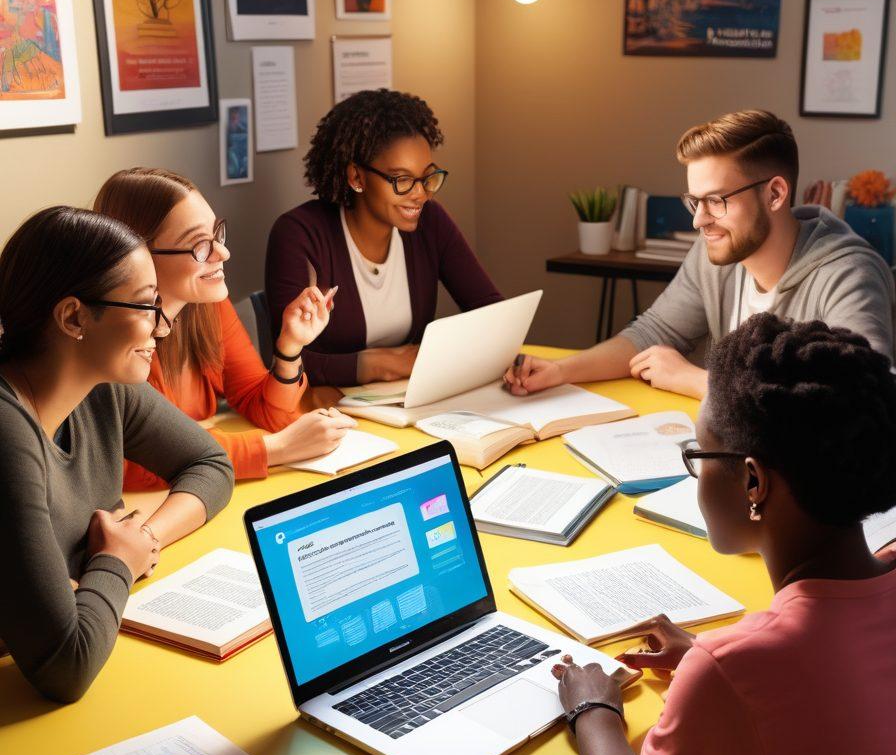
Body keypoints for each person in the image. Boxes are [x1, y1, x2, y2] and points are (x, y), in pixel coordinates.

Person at [480, 313, 896, 755]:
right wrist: (711, 662)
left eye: (698, 457)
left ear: (754, 483)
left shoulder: (741, 670)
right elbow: (819, 690)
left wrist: (594, 709)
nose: (695, 476)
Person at [0, 206, 234, 703]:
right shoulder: (5, 429)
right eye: (146, 306)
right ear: (74, 317)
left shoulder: (101, 383)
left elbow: (211, 465)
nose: (162, 326)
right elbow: (66, 668)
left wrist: (137, 541)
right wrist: (117, 564)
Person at [505, 109, 895, 400]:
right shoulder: (718, 251)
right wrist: (561, 371)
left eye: (716, 200)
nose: (699, 221)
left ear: (775, 193)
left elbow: (860, 401)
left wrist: (698, 381)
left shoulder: (848, 275)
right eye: (695, 201)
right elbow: (652, 333)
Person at [94, 168, 355, 487]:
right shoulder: (111, 337)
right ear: (139, 257)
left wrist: (289, 347)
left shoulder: (208, 306)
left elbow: (268, 413)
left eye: (217, 234)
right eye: (200, 246)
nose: (223, 253)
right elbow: (130, 461)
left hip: (196, 488)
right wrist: (276, 448)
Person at [265, 89, 503, 388]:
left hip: (406, 400)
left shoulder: (431, 221)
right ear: (357, 178)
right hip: (324, 410)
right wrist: (378, 365)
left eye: (428, 177)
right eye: (402, 180)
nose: (420, 193)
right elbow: (286, 357)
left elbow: (491, 313)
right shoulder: (299, 234)